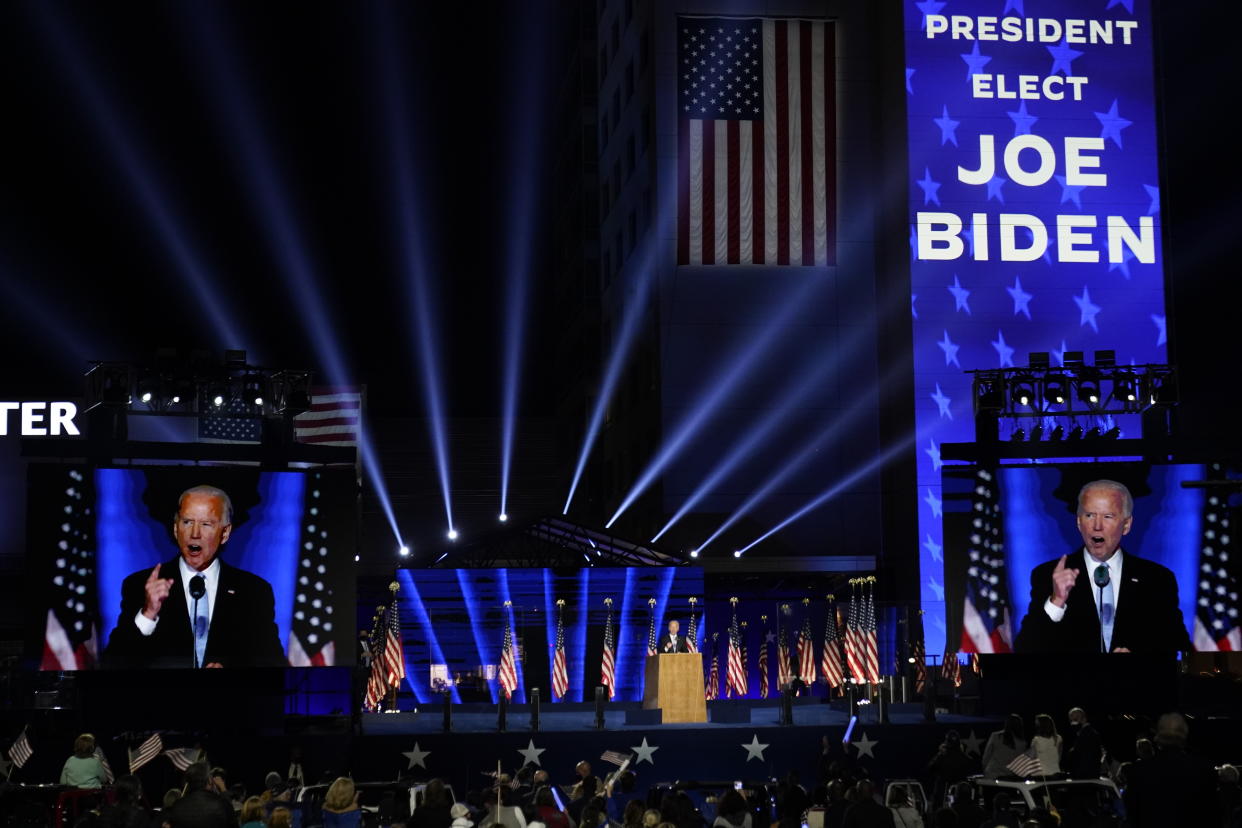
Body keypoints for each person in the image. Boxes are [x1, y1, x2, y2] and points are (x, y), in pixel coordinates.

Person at [103, 485, 287, 668]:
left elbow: (274, 663)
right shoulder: (139, 585)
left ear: (225, 533)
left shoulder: (254, 590)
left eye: (206, 524)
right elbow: (113, 663)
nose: (195, 534)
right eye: (187, 522)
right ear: (176, 529)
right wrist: (148, 613)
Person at [1014, 480, 1191, 654]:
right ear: (1078, 522)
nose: (1097, 526)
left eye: (1108, 516)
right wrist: (1057, 601)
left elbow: (1177, 641)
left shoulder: (1157, 578)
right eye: (1089, 515)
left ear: (1126, 525)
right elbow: (1026, 648)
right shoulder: (1047, 575)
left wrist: (1139, 656)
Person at [1122, 713, 1219, 827]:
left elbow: (1133, 816)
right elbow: (1213, 817)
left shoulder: (1138, 771)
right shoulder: (1205, 771)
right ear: (1184, 736)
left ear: (1158, 737)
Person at [163, 761, 235, 828]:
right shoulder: (220, 805)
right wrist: (223, 789)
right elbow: (232, 819)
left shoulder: (177, 806)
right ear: (209, 781)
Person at [1063, 707, 1102, 779]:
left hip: (1085, 777)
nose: (1073, 723)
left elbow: (1084, 756)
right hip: (1085, 777)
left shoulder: (1089, 734)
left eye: (1075, 719)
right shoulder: (1082, 733)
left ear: (1084, 719)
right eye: (1071, 720)